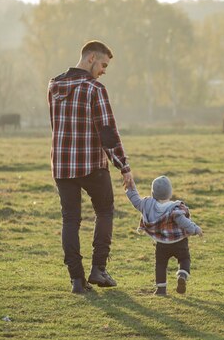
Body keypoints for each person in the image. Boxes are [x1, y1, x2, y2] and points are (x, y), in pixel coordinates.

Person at [48, 40, 134, 294]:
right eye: (103, 64)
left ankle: (77, 280)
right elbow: (107, 132)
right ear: (91, 58)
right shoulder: (94, 89)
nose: (104, 70)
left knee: (70, 220)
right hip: (92, 164)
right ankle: (99, 269)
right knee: (105, 211)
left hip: (62, 165)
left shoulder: (54, 85)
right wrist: (124, 166)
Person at [125, 175, 203, 296]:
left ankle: (161, 289)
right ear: (170, 193)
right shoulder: (175, 208)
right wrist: (195, 229)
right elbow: (183, 222)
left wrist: (130, 188)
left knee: (160, 265)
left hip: (161, 244)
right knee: (184, 259)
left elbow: (135, 200)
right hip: (179, 242)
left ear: (153, 193)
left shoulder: (148, 206)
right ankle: (182, 274)